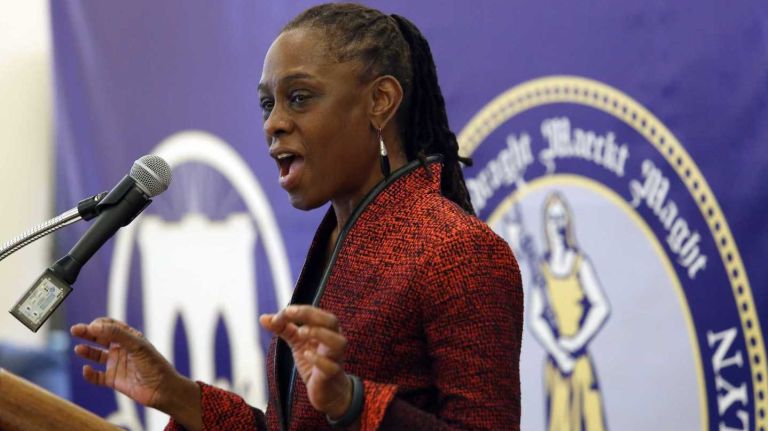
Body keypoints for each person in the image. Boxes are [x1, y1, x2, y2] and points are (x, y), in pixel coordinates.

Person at [70, 3, 523, 430]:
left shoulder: (457, 250)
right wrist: (175, 393)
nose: (274, 123)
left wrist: (352, 402)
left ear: (380, 100)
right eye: (269, 105)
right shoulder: (339, 239)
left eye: (300, 98)